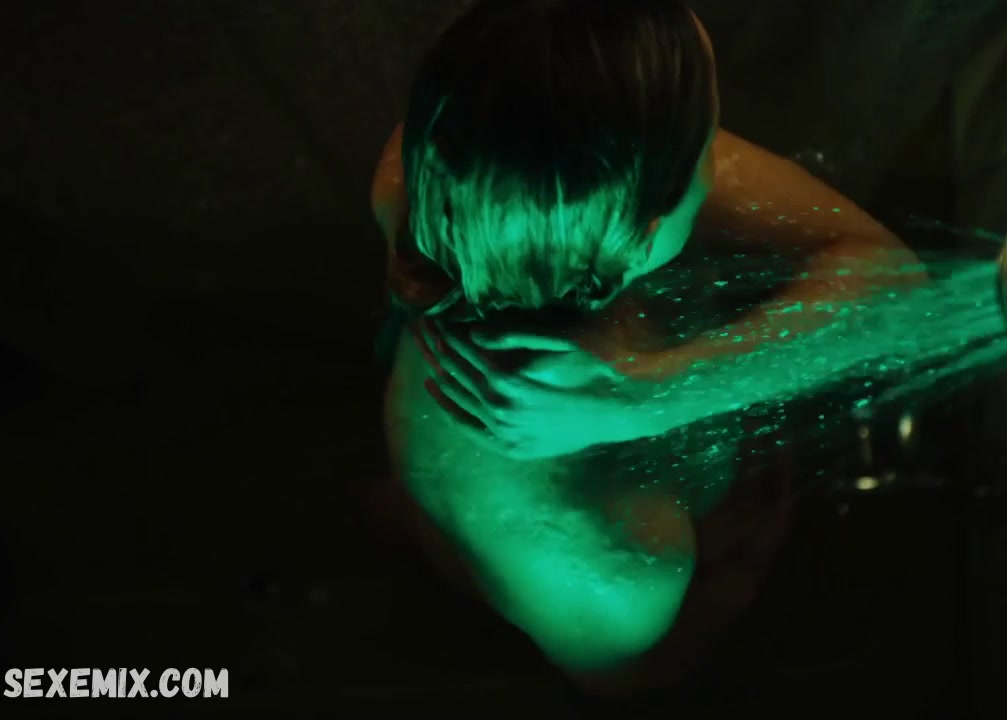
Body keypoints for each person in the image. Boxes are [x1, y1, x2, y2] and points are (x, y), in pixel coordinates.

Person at [374, 0, 930, 696]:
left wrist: (654, 392)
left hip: (469, 494)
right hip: (559, 585)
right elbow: (622, 686)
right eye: (707, 145)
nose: (723, 156)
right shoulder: (614, 565)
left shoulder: (435, 167)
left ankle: (404, 517)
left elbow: (899, 284)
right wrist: (732, 583)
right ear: (647, 236)